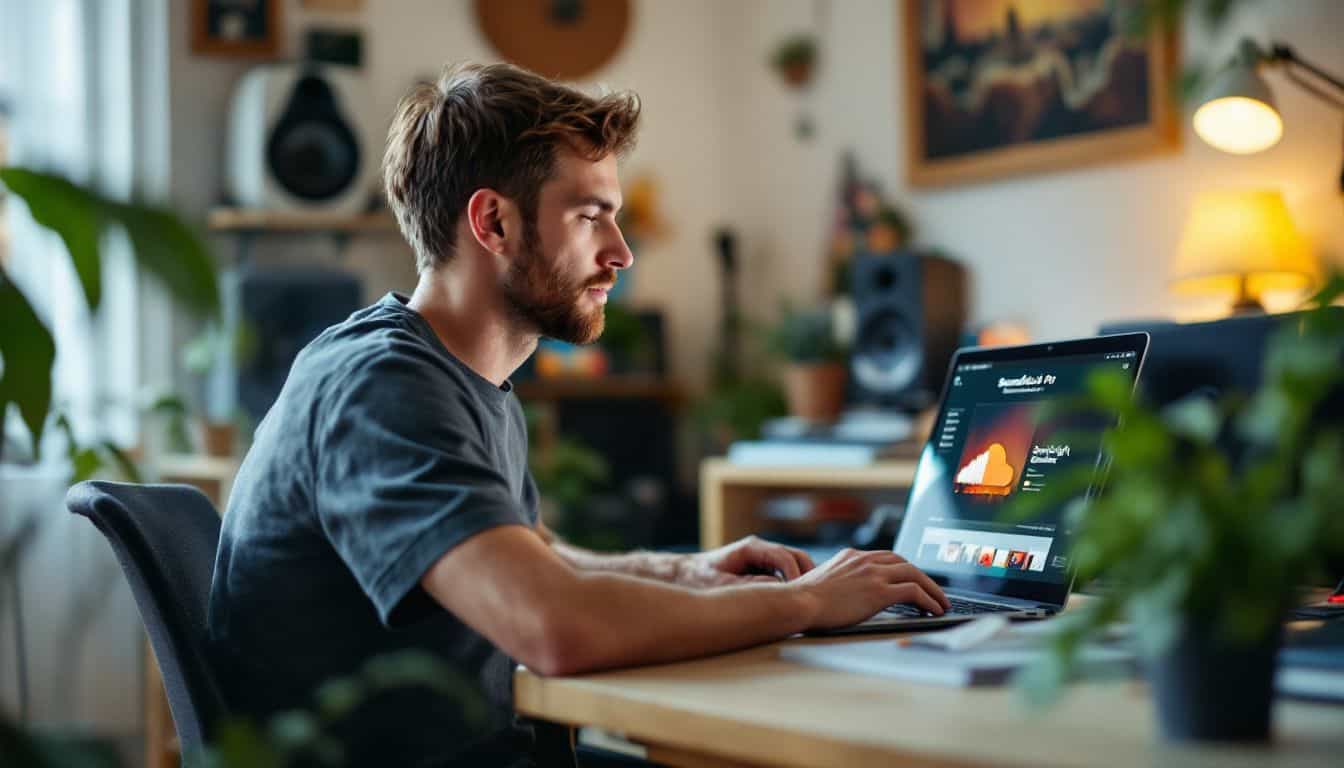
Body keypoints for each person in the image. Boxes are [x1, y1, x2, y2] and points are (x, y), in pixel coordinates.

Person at [208, 61, 949, 768]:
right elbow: (553, 626)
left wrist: (682, 571)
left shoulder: (452, 376)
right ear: (493, 223)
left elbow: (527, 555)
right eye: (591, 216)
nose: (621, 253)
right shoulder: (383, 386)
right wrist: (803, 602)